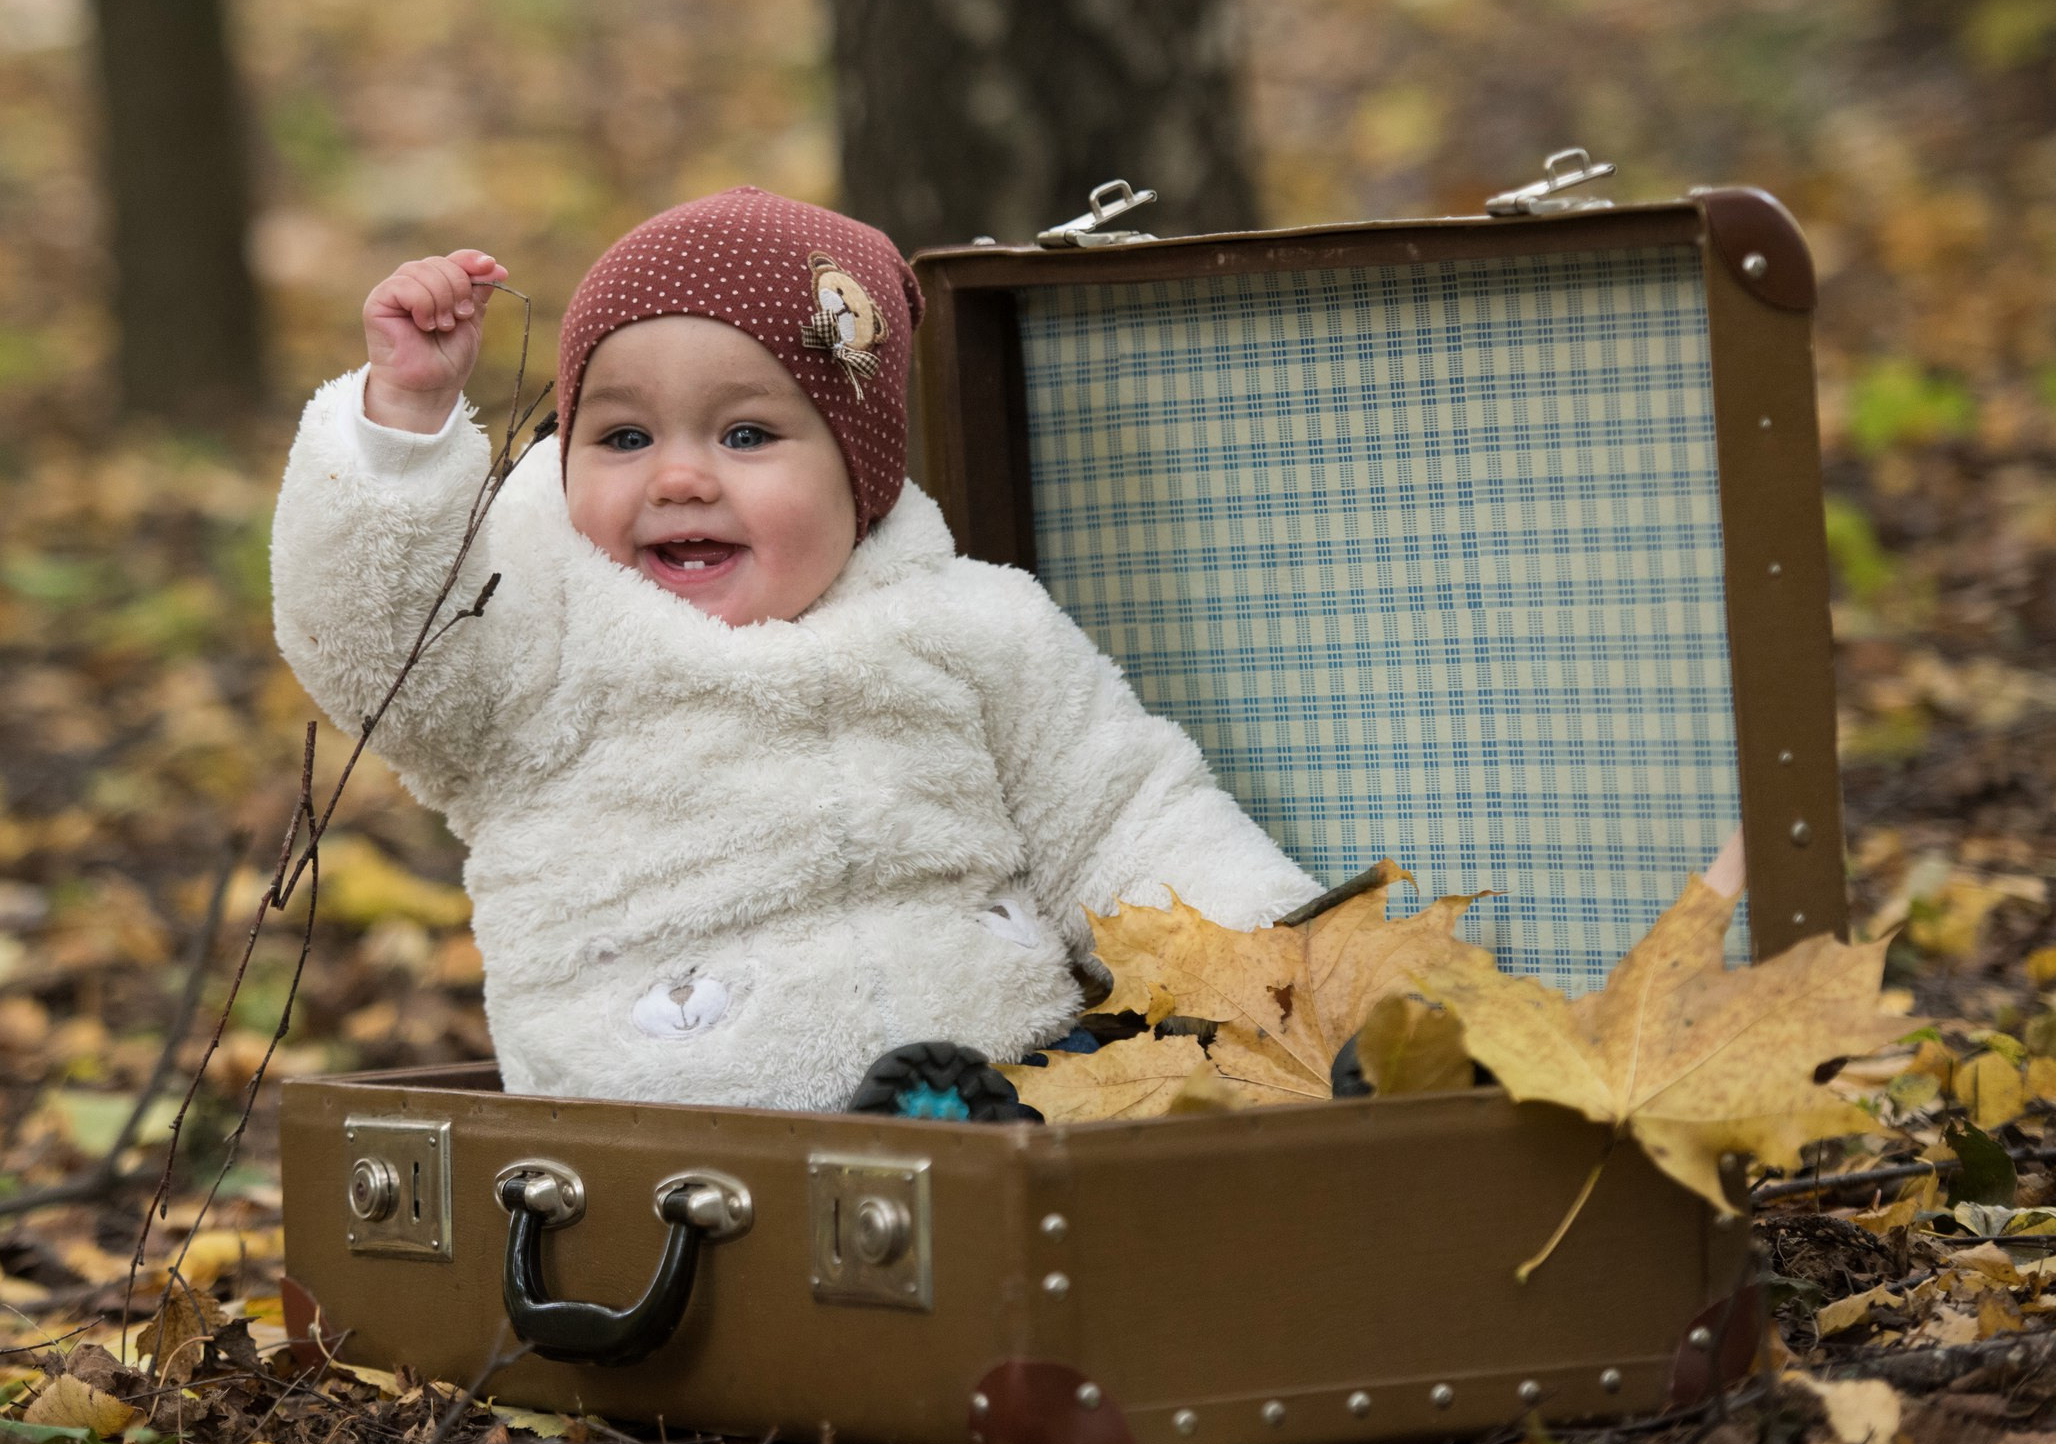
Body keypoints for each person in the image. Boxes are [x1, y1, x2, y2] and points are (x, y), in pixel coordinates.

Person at [271, 187, 1319, 1111]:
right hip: (673, 1114)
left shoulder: (973, 623)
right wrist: (402, 427)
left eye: (745, 436)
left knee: (1141, 1101)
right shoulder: (531, 634)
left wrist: (1293, 973)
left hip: (1009, 1085)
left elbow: (1125, 816)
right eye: (624, 437)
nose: (678, 478)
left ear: (857, 476)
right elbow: (380, 655)